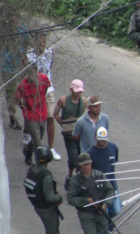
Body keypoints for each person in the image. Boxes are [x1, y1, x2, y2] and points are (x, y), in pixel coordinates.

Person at [67, 153, 115, 234]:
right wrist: (86, 201)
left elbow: (110, 190)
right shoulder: (75, 180)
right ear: (80, 165)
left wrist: (106, 204)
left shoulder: (100, 175)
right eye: (84, 164)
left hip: (101, 212)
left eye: (88, 163)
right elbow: (70, 199)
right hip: (86, 214)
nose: (87, 166)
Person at [27, 32, 61, 160]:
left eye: (44, 42)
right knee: (36, 120)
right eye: (41, 42)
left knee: (50, 117)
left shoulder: (49, 53)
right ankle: (31, 142)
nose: (43, 44)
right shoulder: (30, 55)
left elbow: (49, 68)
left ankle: (51, 148)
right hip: (35, 91)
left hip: (48, 89)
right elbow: (30, 73)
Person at [24, 145, 63, 234]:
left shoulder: (32, 169)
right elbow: (50, 197)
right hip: (47, 208)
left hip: (37, 205)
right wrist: (59, 197)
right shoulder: (46, 176)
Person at [15, 65, 51, 165]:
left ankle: (28, 152)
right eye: (30, 74)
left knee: (39, 137)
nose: (32, 76)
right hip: (30, 116)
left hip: (42, 114)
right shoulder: (23, 85)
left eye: (34, 73)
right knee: (38, 142)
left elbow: (46, 89)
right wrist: (23, 105)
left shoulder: (43, 79)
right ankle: (42, 165)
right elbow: (18, 99)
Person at [53, 79, 86, 178]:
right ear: (71, 90)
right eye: (77, 92)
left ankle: (78, 176)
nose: (78, 94)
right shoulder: (63, 100)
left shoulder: (83, 101)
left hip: (80, 134)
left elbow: (82, 116)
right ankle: (70, 175)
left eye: (80, 92)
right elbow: (55, 113)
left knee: (81, 156)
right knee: (73, 158)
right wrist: (62, 124)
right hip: (68, 134)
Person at [88, 127, 121, 217]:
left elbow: (114, 161)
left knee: (116, 210)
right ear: (95, 137)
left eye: (103, 139)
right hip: (99, 189)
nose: (102, 142)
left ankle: (109, 223)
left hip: (112, 185)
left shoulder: (113, 147)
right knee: (103, 213)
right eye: (100, 139)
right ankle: (106, 226)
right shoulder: (91, 153)